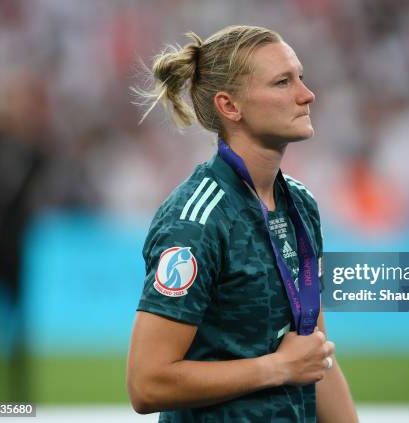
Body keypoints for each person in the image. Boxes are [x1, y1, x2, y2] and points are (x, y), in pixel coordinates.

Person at [126, 25, 358, 422]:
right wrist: (278, 368)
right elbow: (147, 384)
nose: (306, 94)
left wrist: (296, 364)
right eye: (283, 82)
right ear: (230, 107)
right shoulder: (196, 220)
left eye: (300, 77)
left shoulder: (300, 204)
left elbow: (312, 353)